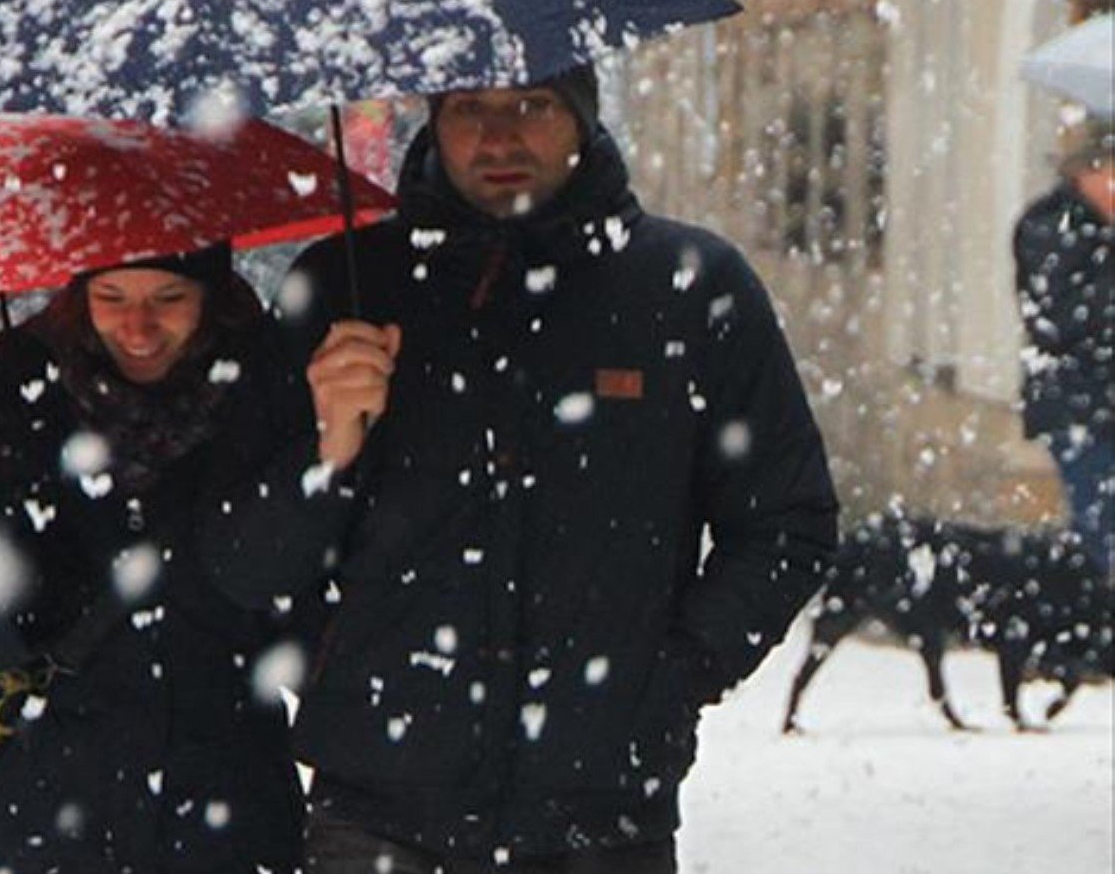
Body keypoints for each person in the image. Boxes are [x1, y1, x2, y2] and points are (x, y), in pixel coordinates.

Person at [200, 66, 841, 873]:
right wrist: (328, 453)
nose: (498, 137)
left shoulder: (688, 288)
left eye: (532, 106)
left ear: (583, 118)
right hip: (378, 813)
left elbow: (788, 525)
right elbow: (242, 563)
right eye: (469, 108)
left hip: (601, 818)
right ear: (433, 118)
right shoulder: (346, 288)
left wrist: (667, 680)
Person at [0, 246, 304, 873]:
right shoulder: (6, 404)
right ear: (78, 298)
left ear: (213, 297)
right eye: (111, 298)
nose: (138, 328)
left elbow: (300, 622)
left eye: (168, 299)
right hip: (42, 812)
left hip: (226, 813)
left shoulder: (269, 403)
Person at [1013, 121, 1115, 581]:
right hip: (1080, 409)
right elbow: (1060, 319)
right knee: (1102, 533)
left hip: (1101, 404)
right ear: (1086, 173)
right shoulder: (1050, 226)